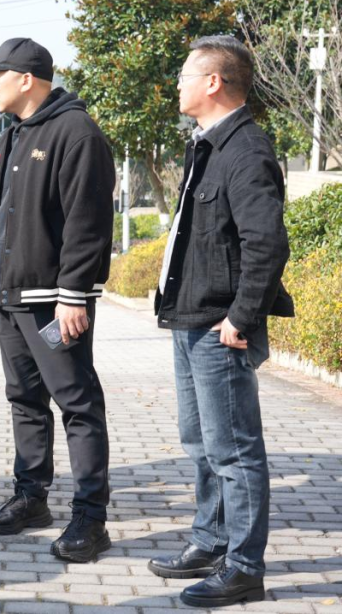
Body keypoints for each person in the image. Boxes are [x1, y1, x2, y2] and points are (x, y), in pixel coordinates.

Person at [149, 36, 293, 608]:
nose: (177, 84)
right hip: (190, 318)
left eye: (186, 75)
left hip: (220, 327)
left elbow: (267, 243)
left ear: (213, 83)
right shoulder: (207, 145)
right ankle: (210, 541)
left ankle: (244, 568)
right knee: (201, 443)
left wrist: (242, 317)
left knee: (234, 451)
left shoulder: (246, 150)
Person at [0, 38, 115, 563]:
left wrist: (74, 296)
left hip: (54, 303)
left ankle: (91, 517)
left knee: (77, 403)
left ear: (26, 79)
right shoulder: (12, 135)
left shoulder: (77, 132)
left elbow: (87, 223)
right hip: (10, 297)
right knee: (25, 400)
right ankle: (31, 497)